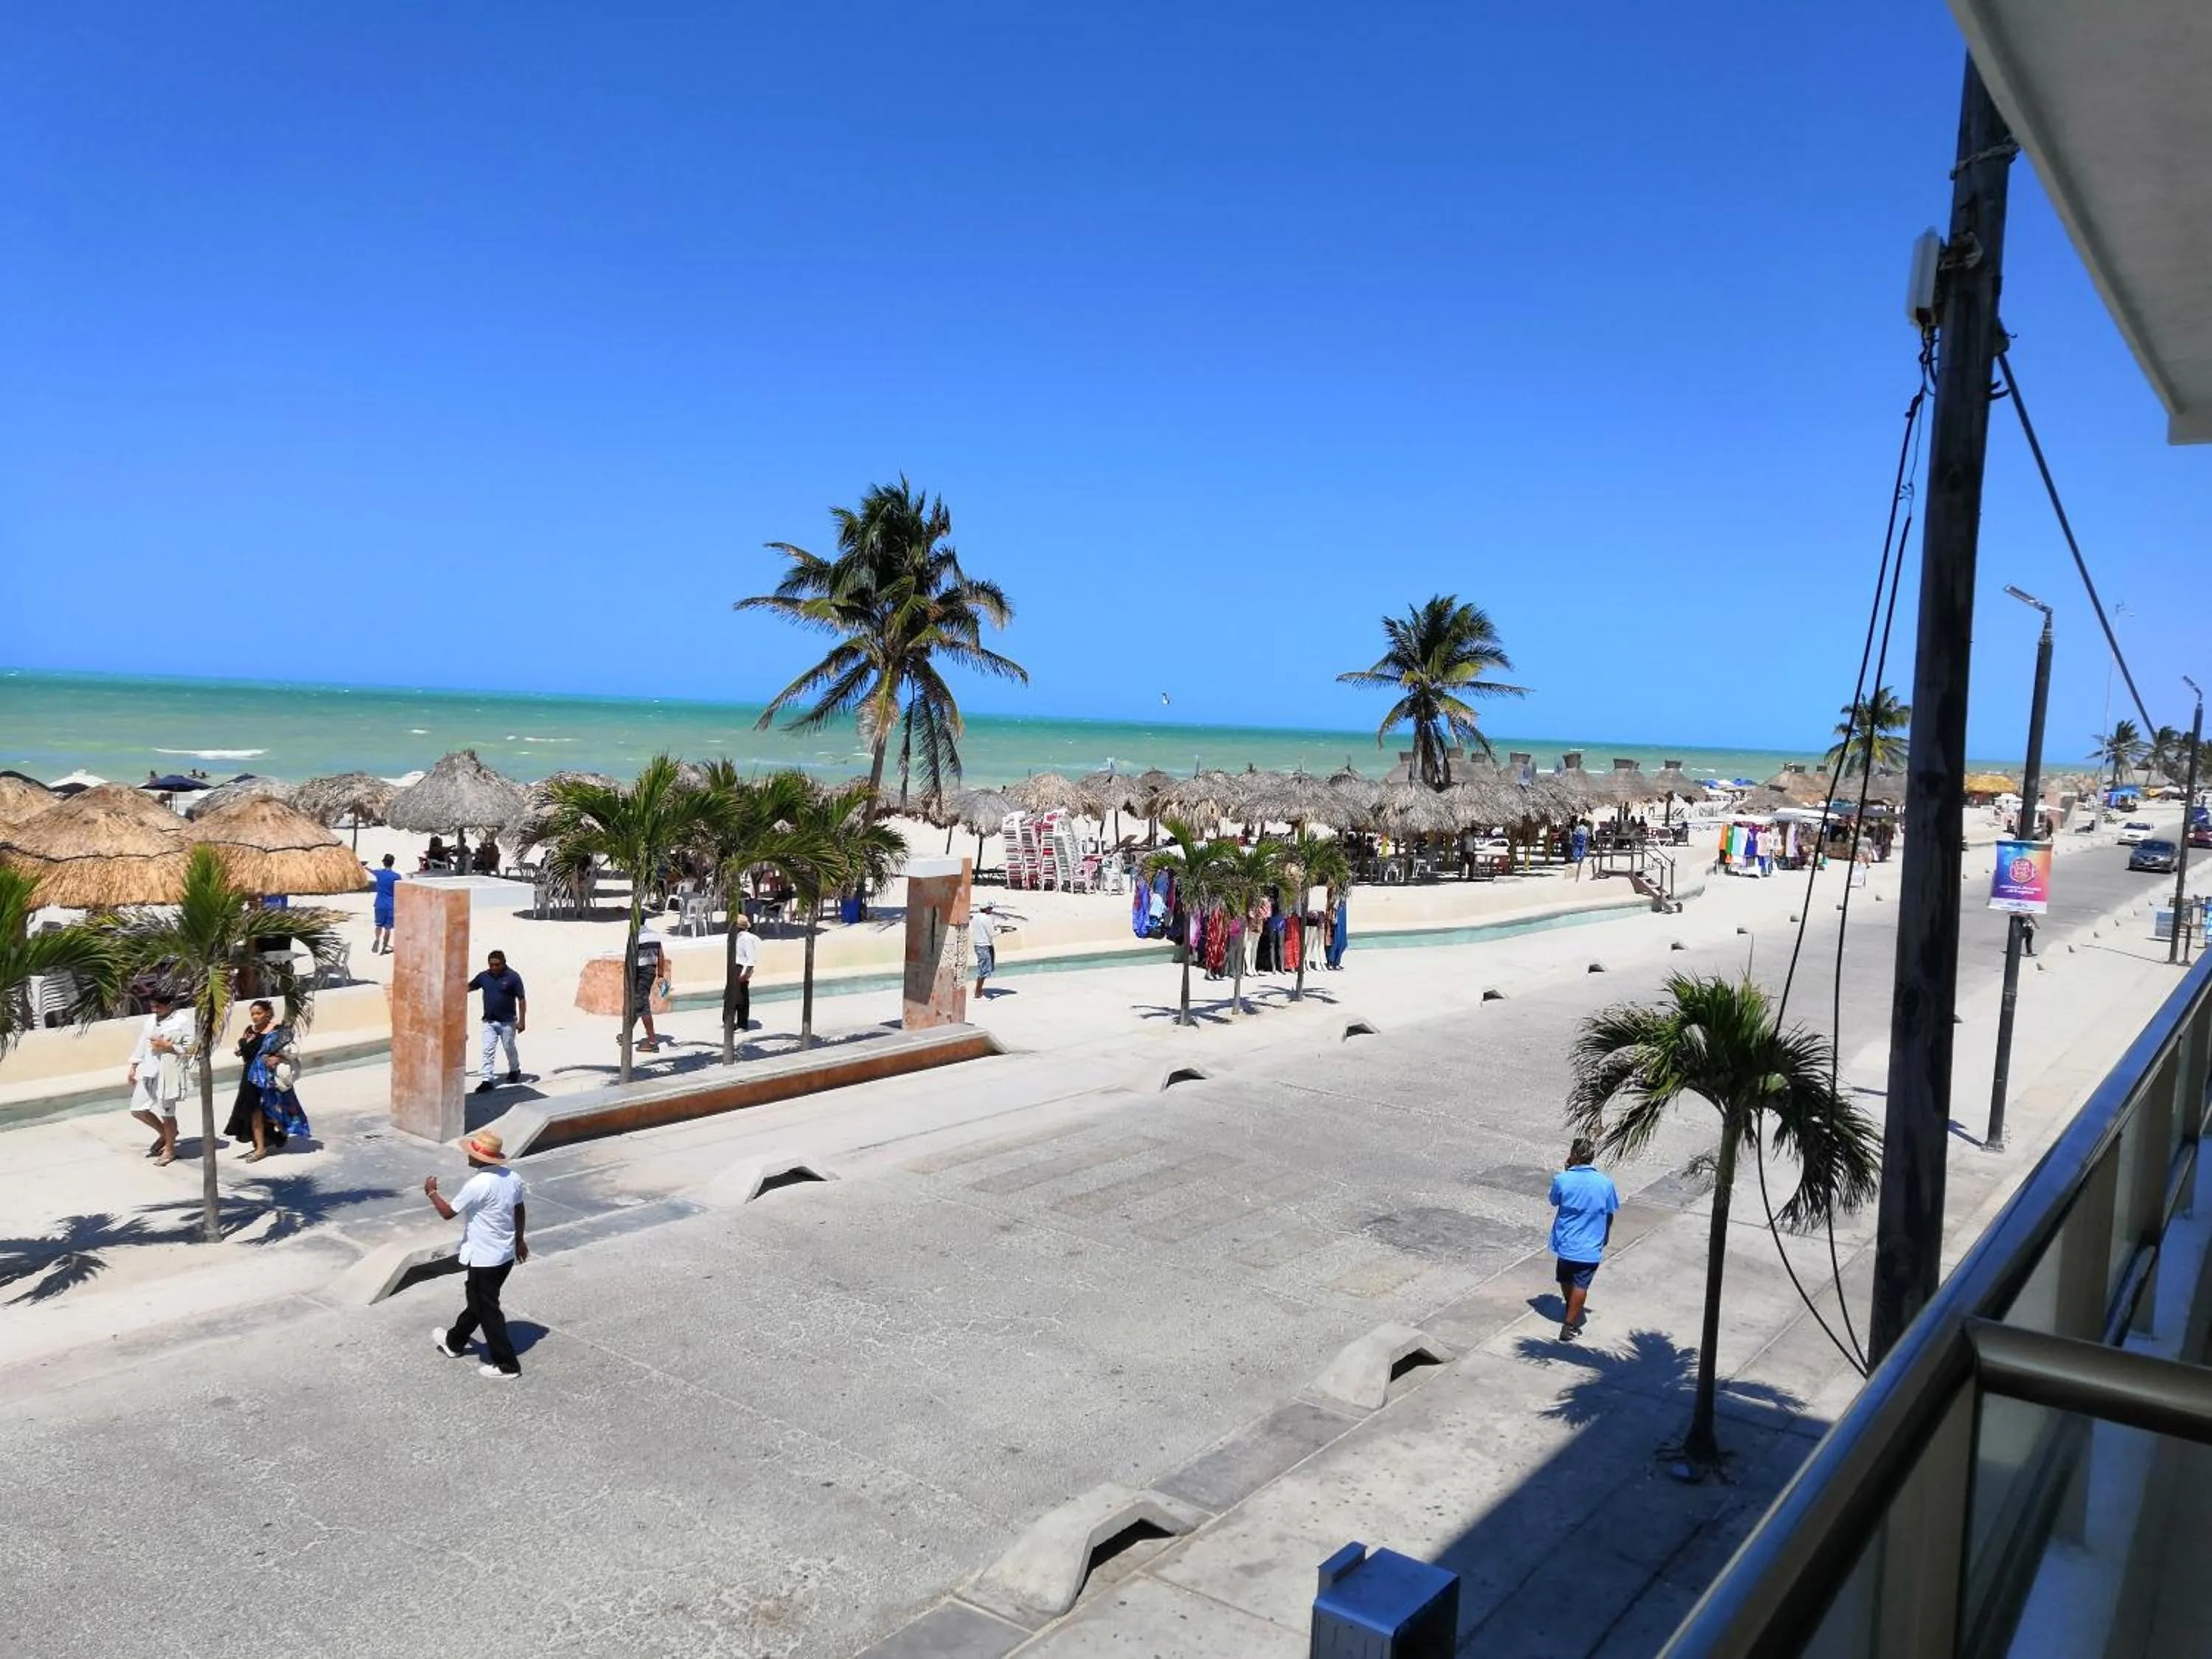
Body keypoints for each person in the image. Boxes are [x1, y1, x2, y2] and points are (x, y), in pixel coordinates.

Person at [425, 1130, 528, 1380]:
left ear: (481, 1159)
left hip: (485, 1258)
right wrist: (520, 1240)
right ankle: (454, 1342)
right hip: (504, 1255)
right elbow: (519, 1208)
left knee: (488, 1309)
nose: (468, 1157)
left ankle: (507, 1365)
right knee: (478, 1302)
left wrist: (431, 1192)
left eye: (471, 1153)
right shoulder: (511, 1177)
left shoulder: (478, 1184)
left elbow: (448, 1213)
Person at [1549, 1136, 1621, 1342]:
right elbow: (1609, 1212)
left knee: (1565, 1279)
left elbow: (1554, 1200)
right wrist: (1606, 1235)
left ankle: (1570, 1306)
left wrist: (1566, 1172)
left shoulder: (1562, 1179)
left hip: (1566, 1241)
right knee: (1581, 1284)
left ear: (1573, 1155)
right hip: (1591, 1245)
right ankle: (1569, 1323)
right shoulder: (1605, 1183)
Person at [126, 989, 196, 1166]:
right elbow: (142, 1042)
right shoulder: (150, 1020)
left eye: (158, 1006)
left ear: (170, 1005)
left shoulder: (183, 1021)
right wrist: (134, 1065)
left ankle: (170, 1150)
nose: (154, 1010)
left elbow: (191, 1048)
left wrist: (168, 1047)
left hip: (168, 1073)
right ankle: (166, 1134)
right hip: (149, 1071)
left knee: (167, 1113)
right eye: (152, 1006)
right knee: (138, 1110)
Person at [224, 998, 285, 1155]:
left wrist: (277, 1058)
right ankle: (260, 1148)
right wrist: (243, 1045)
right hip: (250, 1076)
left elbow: (286, 1051)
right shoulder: (250, 1030)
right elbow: (243, 1051)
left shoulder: (277, 1030)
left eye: (259, 1013)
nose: (255, 1017)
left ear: (268, 1013)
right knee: (254, 1111)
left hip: (268, 1076)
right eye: (253, 1014)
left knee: (271, 1110)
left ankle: (282, 1130)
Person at [466, 950, 526, 1093]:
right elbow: (469, 987)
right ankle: (487, 1079)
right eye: (492, 965)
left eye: (497, 965)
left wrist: (522, 1021)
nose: (494, 968)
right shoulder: (484, 977)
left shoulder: (513, 977)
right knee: (488, 1050)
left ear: (504, 963)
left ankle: (514, 1069)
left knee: (508, 1046)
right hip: (489, 1021)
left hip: (508, 1022)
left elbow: (522, 999)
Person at [627, 922, 669, 1054]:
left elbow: (631, 958)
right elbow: (661, 955)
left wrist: (629, 977)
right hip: (651, 970)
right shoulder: (654, 935)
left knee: (641, 1003)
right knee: (637, 1003)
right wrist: (660, 975)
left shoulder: (635, 935)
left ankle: (652, 1041)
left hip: (640, 971)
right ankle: (627, 1034)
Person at [726, 913, 757, 1045]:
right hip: (734, 967)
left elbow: (751, 958)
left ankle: (742, 1024)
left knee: (741, 997)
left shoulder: (747, 938)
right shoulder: (736, 937)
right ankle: (729, 1021)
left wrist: (746, 973)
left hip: (741, 968)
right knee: (730, 995)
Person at [369, 854, 401, 954]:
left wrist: (364, 866)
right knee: (388, 928)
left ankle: (377, 939)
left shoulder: (379, 873)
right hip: (391, 904)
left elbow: (371, 871)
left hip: (379, 903)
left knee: (378, 925)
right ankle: (384, 946)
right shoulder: (396, 876)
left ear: (383, 863)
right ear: (393, 863)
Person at [970, 902, 999, 998]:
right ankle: (978, 992)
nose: (991, 910)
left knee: (985, 968)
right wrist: (1001, 931)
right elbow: (992, 934)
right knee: (984, 969)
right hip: (985, 946)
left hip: (978, 945)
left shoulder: (975, 917)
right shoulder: (986, 918)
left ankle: (979, 989)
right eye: (990, 908)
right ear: (986, 909)